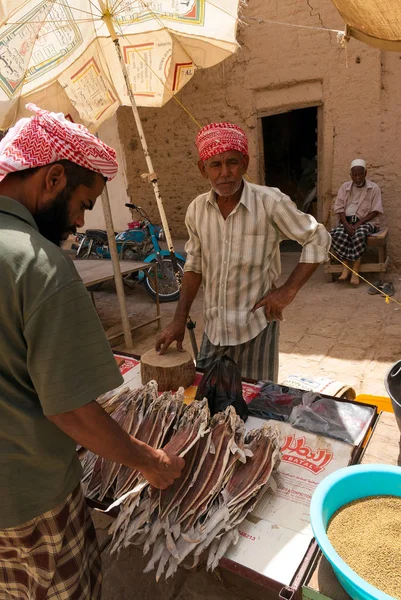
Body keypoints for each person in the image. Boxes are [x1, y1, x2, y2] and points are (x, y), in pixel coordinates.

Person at [0, 104, 184, 600]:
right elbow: (71, 410)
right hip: (28, 501)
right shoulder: (36, 265)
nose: (80, 222)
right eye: (83, 202)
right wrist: (147, 459)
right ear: (53, 177)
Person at [156, 122, 331, 381]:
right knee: (208, 401)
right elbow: (194, 265)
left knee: (255, 404)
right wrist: (178, 319)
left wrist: (287, 291)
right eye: (215, 165)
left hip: (256, 328)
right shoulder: (196, 210)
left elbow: (317, 236)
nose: (225, 172)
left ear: (245, 164)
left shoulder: (270, 202)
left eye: (232, 162)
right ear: (202, 169)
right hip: (214, 330)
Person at [331, 158, 384, 285]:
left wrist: (359, 223)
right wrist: (346, 224)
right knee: (337, 233)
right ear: (351, 175)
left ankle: (355, 271)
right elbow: (339, 208)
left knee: (359, 234)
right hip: (347, 222)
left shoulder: (374, 188)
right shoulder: (345, 187)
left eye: (360, 174)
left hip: (366, 222)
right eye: (355, 175)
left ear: (365, 173)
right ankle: (345, 267)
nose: (358, 177)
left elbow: (376, 210)